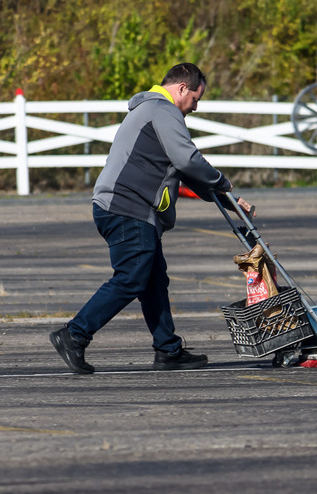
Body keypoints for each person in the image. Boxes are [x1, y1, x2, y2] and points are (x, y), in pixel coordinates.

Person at [50, 62, 252, 374]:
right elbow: (188, 159)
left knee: (154, 280)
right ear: (182, 88)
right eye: (195, 99)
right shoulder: (162, 110)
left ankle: (168, 350)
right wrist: (223, 182)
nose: (195, 107)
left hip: (128, 208)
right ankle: (74, 334)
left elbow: (185, 170)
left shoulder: (154, 110)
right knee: (132, 277)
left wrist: (229, 201)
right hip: (126, 208)